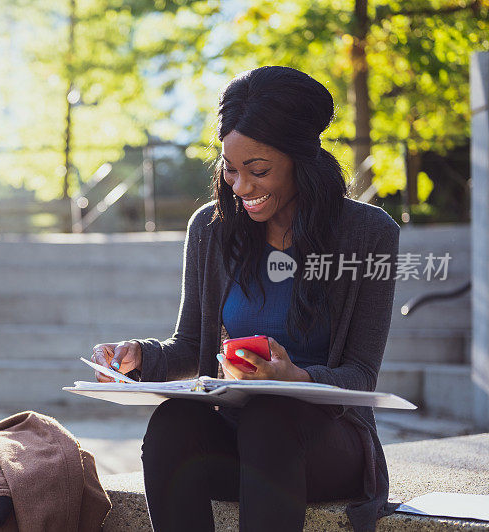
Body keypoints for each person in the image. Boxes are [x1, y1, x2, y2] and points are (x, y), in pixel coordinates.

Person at [90, 65, 401, 532]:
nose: (241, 187)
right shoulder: (211, 230)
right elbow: (189, 345)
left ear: (302, 159)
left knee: (270, 417)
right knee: (173, 423)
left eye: (258, 171)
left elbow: (360, 374)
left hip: (328, 446)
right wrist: (139, 358)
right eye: (230, 170)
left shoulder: (369, 234)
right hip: (242, 442)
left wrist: (296, 376)